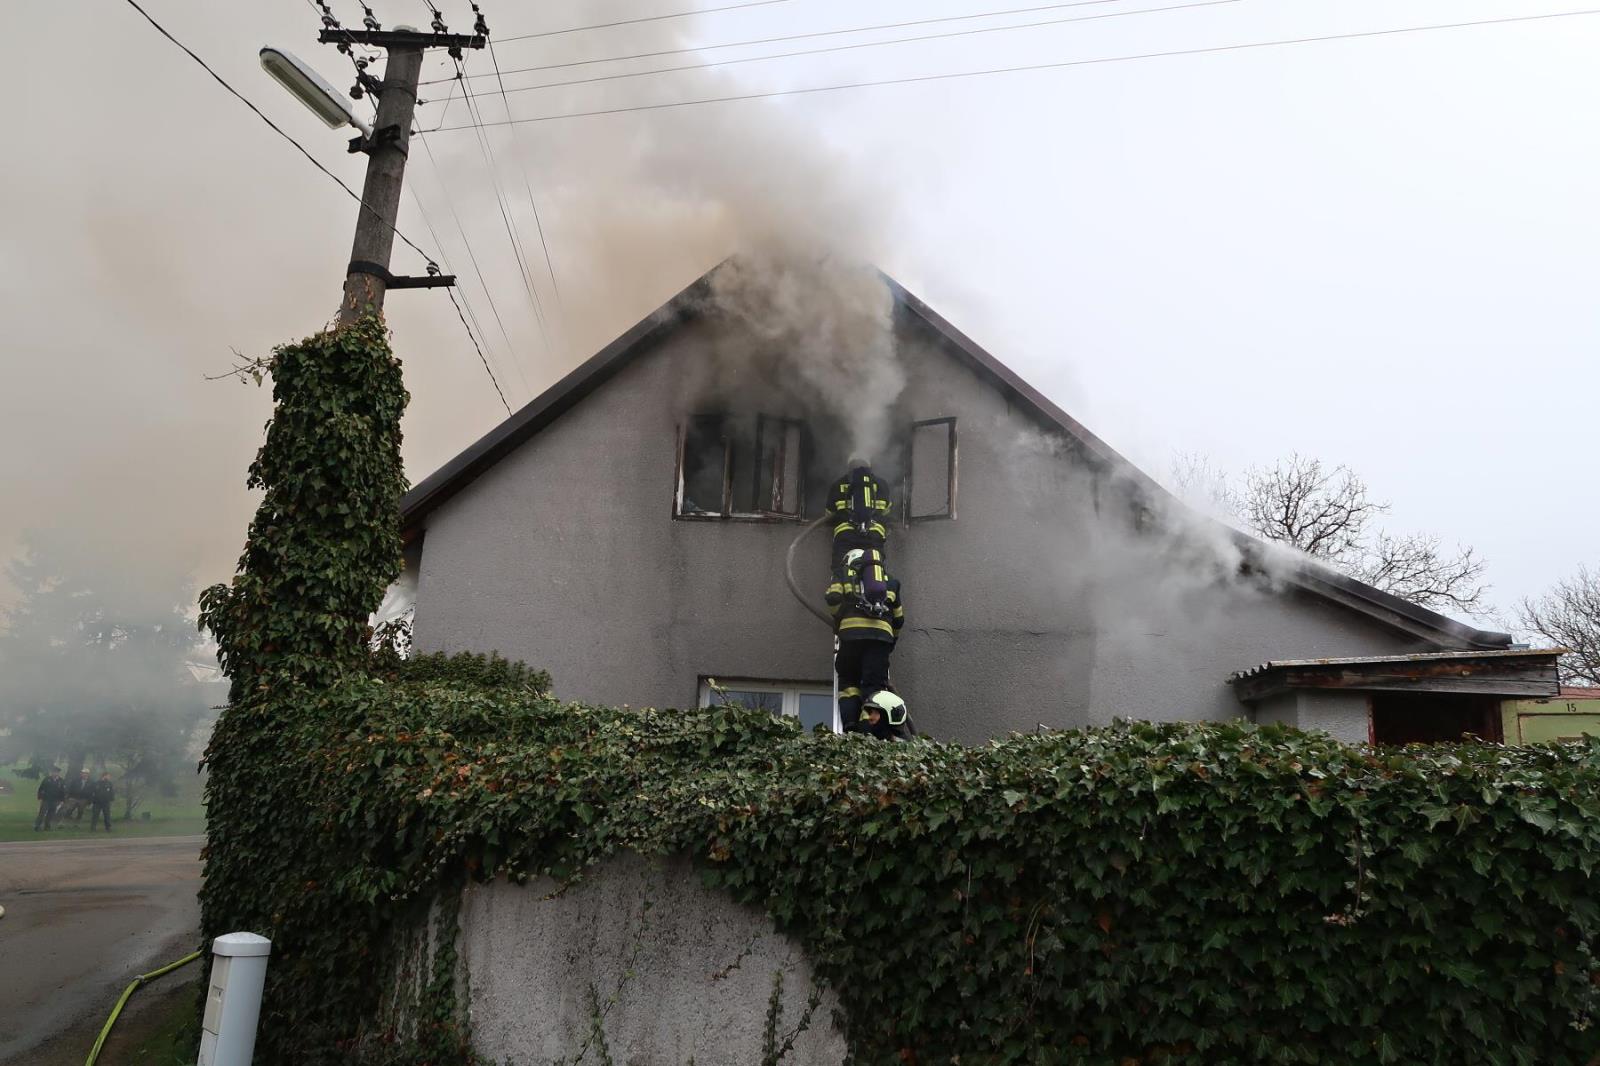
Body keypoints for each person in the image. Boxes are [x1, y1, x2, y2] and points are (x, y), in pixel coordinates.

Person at [826, 548, 905, 735]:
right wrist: (890, 641)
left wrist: (839, 619)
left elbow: (833, 599)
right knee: (874, 685)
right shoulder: (891, 582)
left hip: (851, 636)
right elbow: (899, 619)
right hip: (881, 639)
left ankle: (851, 723)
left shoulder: (843, 574)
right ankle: (868, 729)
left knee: (848, 681)